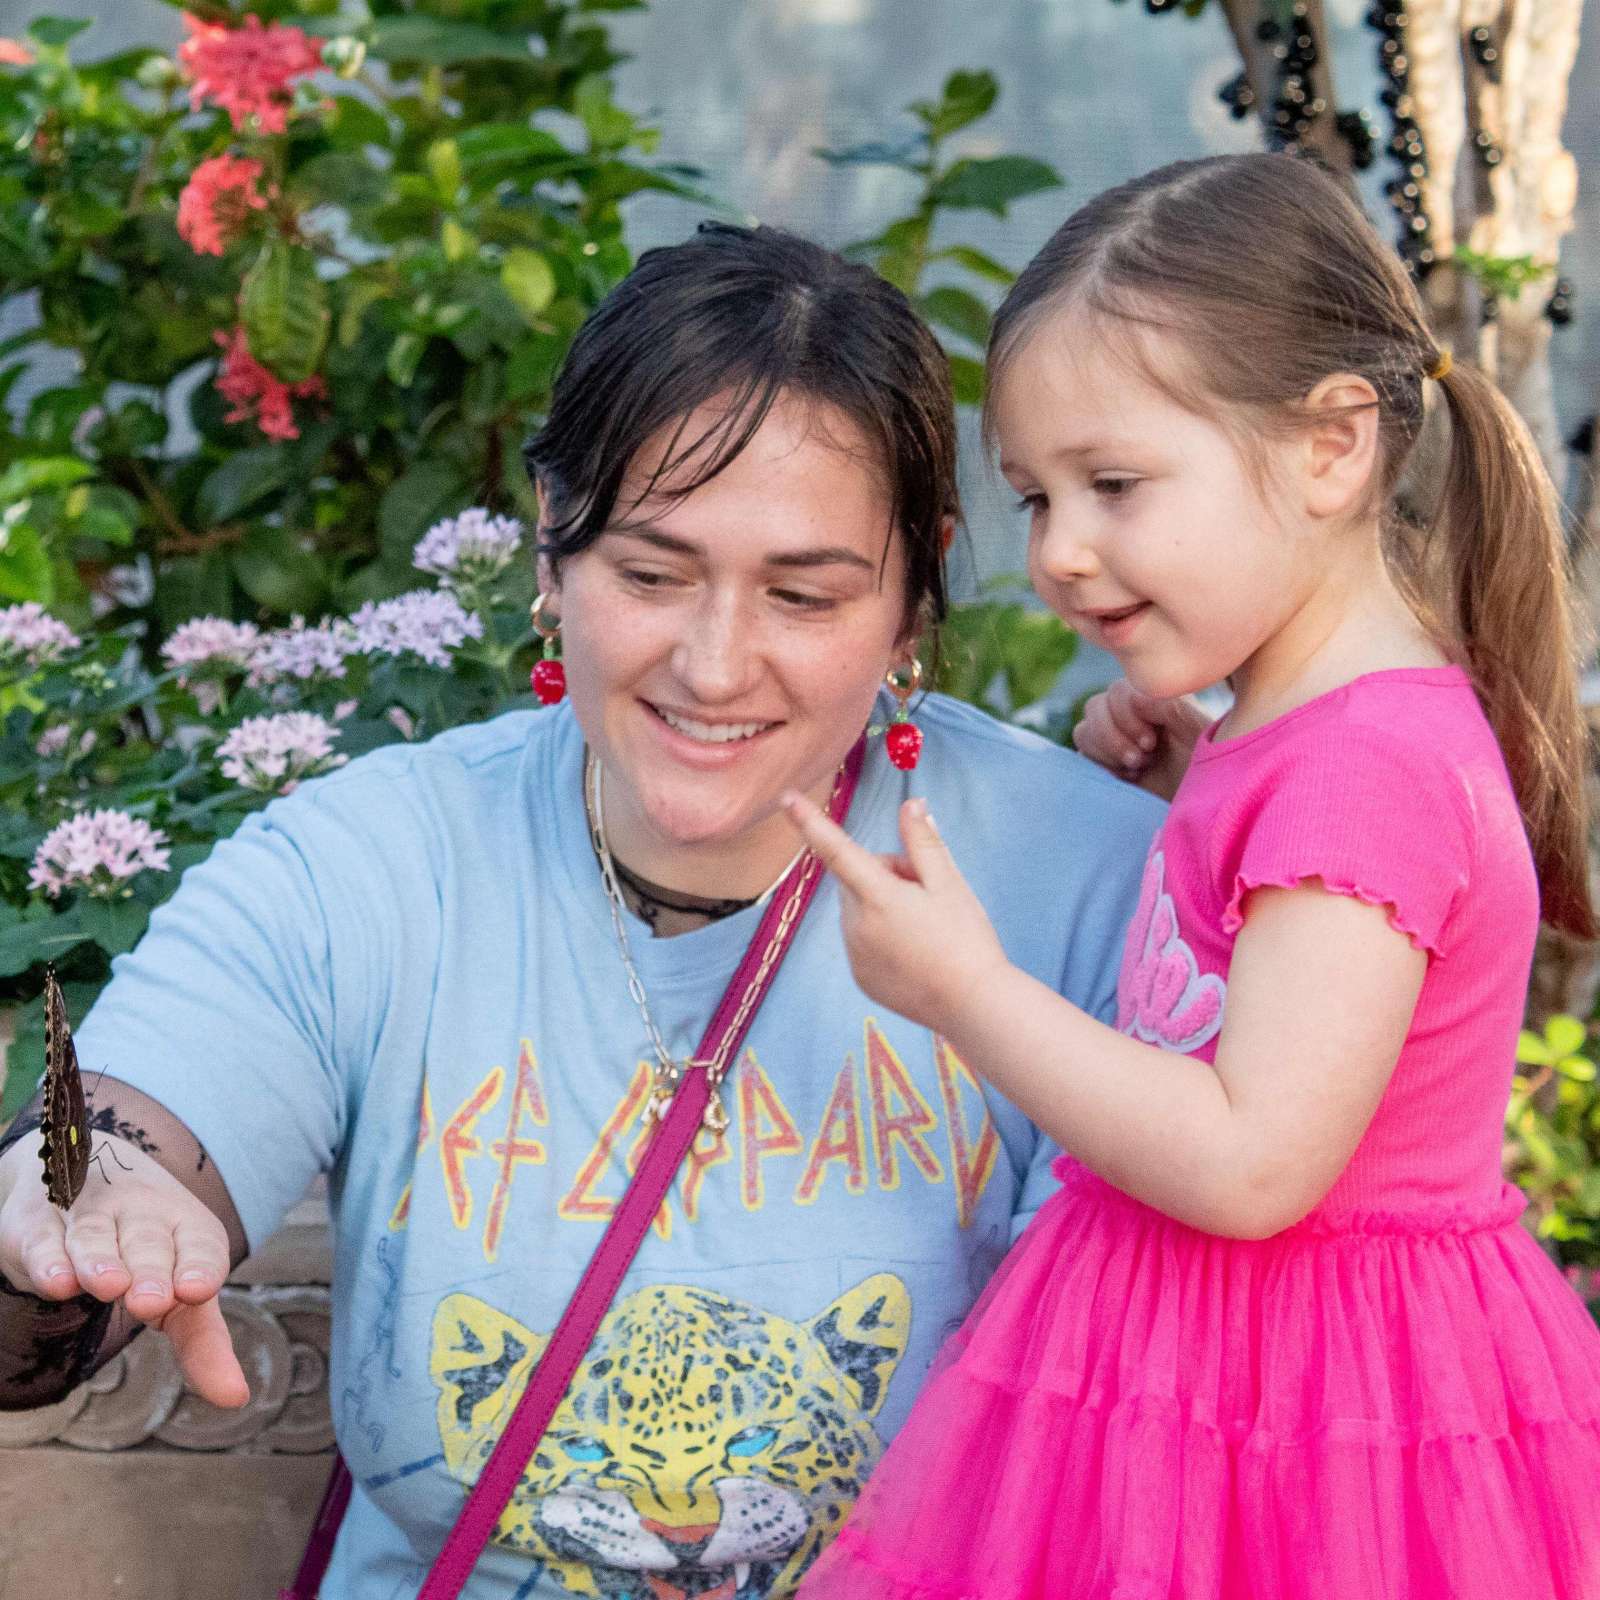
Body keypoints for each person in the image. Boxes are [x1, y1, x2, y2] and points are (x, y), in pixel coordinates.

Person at [0, 222, 1162, 1599]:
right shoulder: (372, 865)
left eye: (806, 593)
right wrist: (71, 1213)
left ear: (916, 592)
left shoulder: (1094, 882)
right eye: (651, 575)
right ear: (551, 552)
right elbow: (115, 1160)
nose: (717, 666)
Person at [788, 154, 1600, 1600]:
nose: (1061, 553)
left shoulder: (1360, 771)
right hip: (1213, 1378)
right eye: (1037, 499)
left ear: (1332, 449)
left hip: (1308, 1419)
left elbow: (1249, 1164)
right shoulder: (1302, 736)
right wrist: (1196, 792)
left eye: (1114, 484)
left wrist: (964, 992)